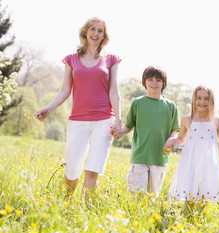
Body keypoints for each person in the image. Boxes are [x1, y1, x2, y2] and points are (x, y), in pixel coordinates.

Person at [34, 17, 122, 200]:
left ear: (104, 36)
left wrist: (119, 120)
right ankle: (64, 206)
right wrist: (48, 108)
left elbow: (114, 91)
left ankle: (86, 216)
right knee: (72, 169)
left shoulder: (110, 60)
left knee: (92, 170)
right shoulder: (72, 59)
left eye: (100, 31)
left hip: (104, 120)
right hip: (78, 121)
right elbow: (65, 90)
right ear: (85, 32)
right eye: (93, 29)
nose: (96, 33)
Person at [164, 86, 219, 213]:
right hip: (191, 160)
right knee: (190, 189)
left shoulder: (216, 120)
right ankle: (186, 216)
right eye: (199, 98)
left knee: (204, 193)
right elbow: (181, 140)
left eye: (206, 98)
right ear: (194, 100)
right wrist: (171, 141)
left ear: (211, 101)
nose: (202, 102)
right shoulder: (187, 119)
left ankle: (198, 219)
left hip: (208, 161)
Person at [113, 66, 180, 199]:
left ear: (163, 84)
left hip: (159, 157)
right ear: (144, 82)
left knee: (152, 197)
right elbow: (129, 125)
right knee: (137, 193)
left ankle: (147, 219)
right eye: (150, 79)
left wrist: (172, 139)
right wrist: (120, 132)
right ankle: (135, 217)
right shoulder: (137, 103)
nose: (154, 83)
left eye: (158, 80)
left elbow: (175, 130)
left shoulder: (170, 106)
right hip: (140, 155)